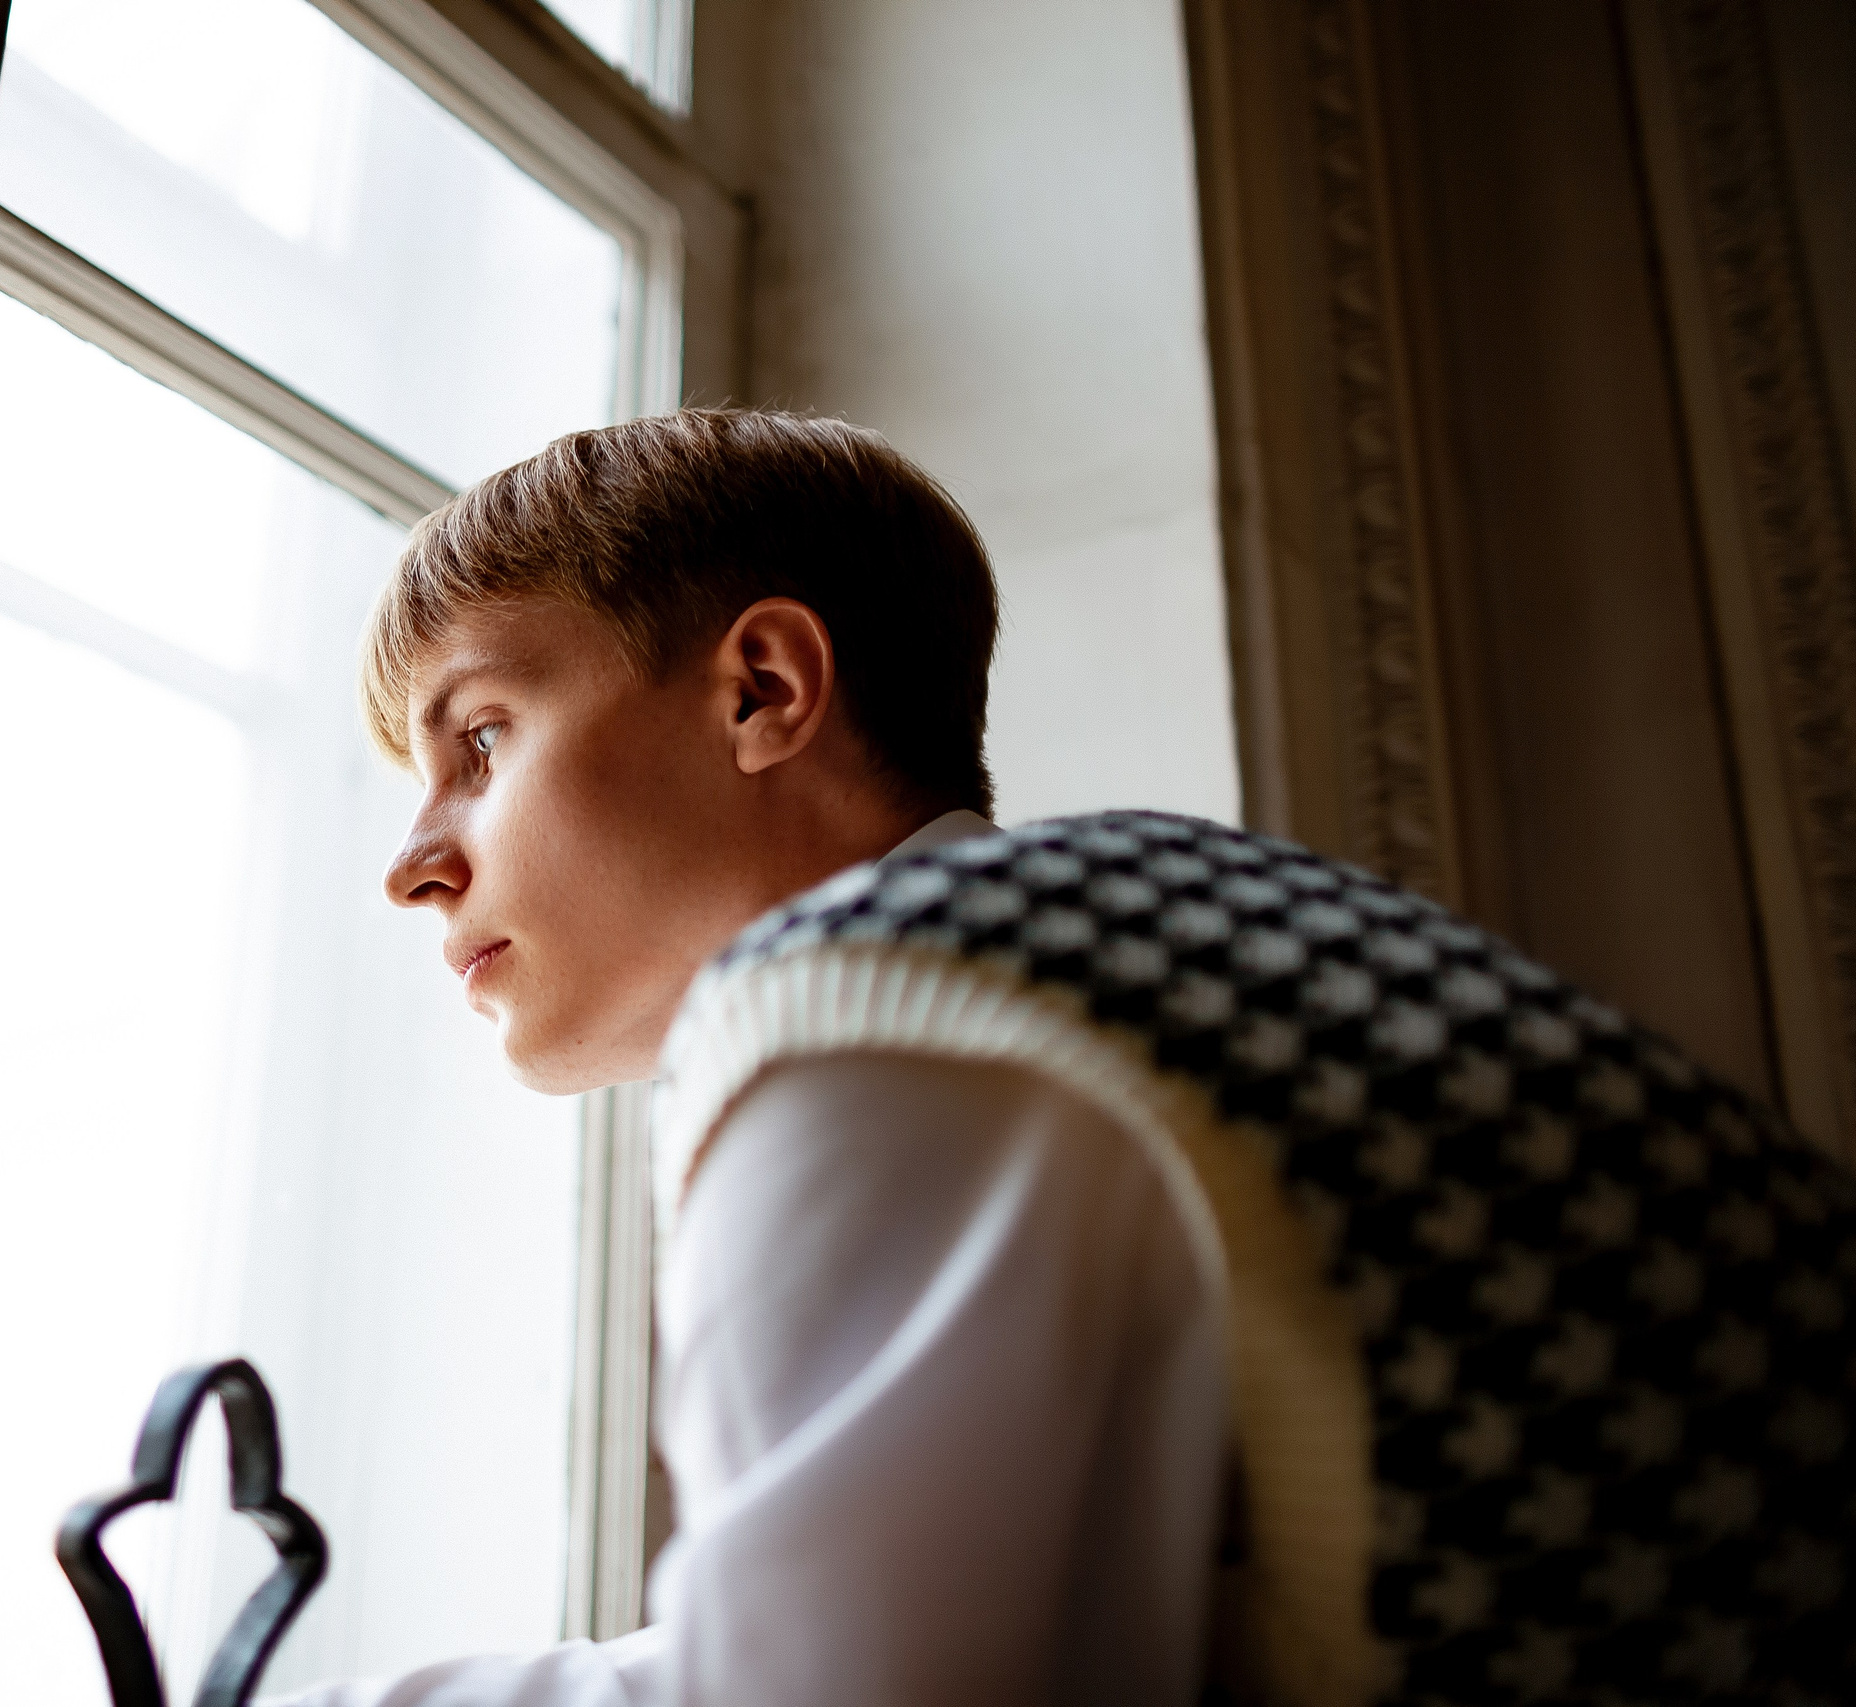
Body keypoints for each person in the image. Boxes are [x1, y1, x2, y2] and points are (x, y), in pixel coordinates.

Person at [279, 409, 1852, 1706]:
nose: (413, 862)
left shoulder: (874, 1007)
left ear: (763, 690)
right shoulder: (1148, 940)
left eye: (478, 742)